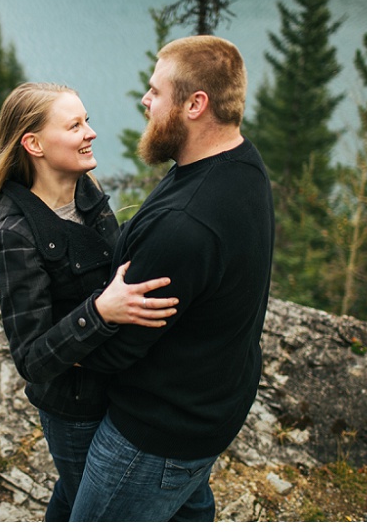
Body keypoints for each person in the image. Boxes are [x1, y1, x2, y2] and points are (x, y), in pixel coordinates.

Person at [68, 36, 275, 522]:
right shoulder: (241, 165)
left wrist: (59, 346)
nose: (145, 100)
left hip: (152, 437)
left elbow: (117, 347)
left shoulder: (187, 223)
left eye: (155, 91)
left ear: (195, 104)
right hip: (208, 406)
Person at [0, 82, 179, 521]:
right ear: (34, 144)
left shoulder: (87, 192)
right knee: (95, 509)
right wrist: (101, 312)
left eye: (86, 120)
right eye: (74, 125)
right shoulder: (14, 234)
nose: (90, 132)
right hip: (75, 411)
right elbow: (32, 359)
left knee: (78, 500)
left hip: (120, 389)